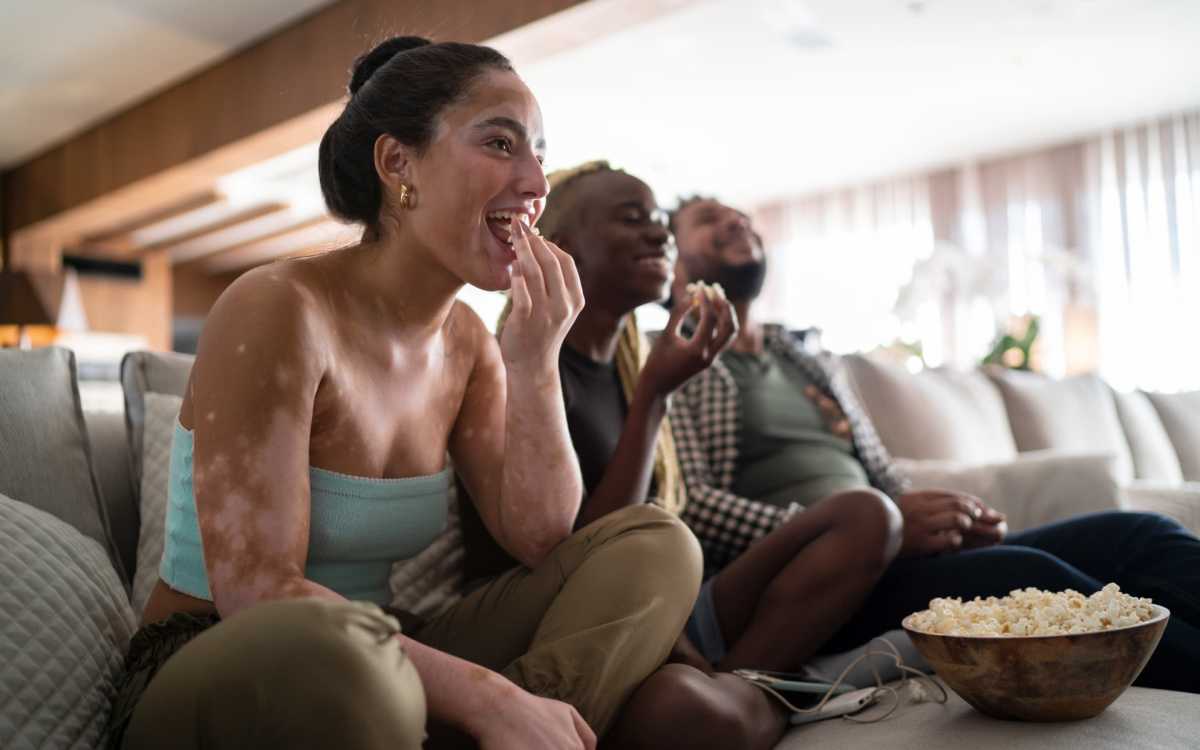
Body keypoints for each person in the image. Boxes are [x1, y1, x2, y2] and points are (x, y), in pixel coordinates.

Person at [107, 38, 703, 750]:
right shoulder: (278, 306)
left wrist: (536, 360)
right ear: (398, 165)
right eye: (501, 143)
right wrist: (488, 696)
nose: (535, 180)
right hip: (227, 654)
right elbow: (256, 592)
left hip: (379, 653)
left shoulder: (467, 346)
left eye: (539, 153)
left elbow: (542, 534)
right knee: (354, 663)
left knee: (656, 542)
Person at [667, 194, 1200, 693]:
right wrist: (869, 531)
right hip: (818, 583)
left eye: (737, 212)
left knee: (1141, 533)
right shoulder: (675, 365)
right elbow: (690, 505)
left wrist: (946, 525)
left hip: (891, 548)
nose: (736, 220)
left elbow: (882, 475)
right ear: (675, 268)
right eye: (708, 219)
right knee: (1031, 581)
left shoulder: (805, 358)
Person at [463, 162, 903, 749]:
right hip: (577, 625)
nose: (659, 233)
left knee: (868, 514)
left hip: (672, 603)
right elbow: (591, 563)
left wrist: (651, 389)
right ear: (560, 246)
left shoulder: (627, 360)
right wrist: (656, 396)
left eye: (659, 222)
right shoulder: (526, 364)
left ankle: (754, 682)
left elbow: (662, 529)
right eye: (632, 219)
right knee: (686, 712)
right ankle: (776, 690)